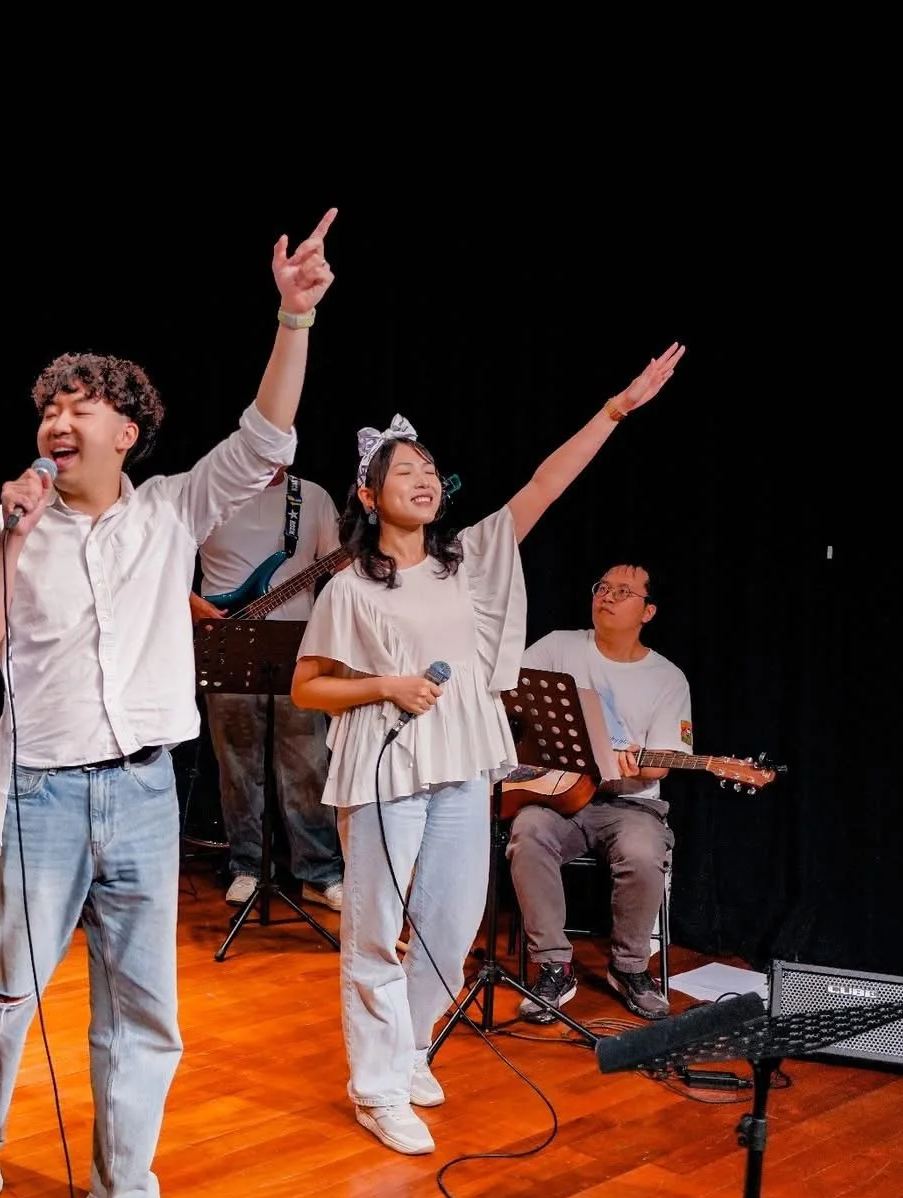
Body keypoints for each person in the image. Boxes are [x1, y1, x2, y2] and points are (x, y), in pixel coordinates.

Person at [0, 208, 340, 1198]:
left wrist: (291, 317)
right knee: (6, 984)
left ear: (125, 427)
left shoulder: (169, 511)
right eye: (46, 406)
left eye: (79, 403)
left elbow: (265, 438)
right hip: (43, 793)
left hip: (145, 790)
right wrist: (13, 541)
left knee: (143, 1007)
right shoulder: (2, 525)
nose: (56, 417)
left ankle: (125, 1186)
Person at [290, 342, 686, 1157]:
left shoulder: (467, 562)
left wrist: (614, 410)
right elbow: (308, 688)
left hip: (463, 762)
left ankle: (408, 1044)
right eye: (405, 470)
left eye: (431, 467)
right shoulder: (349, 588)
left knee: (451, 920)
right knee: (375, 927)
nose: (425, 478)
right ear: (370, 494)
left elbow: (544, 484)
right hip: (384, 760)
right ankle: (376, 1084)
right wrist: (385, 686)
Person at [508, 561, 691, 1023]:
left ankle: (629, 967)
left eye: (623, 591)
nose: (607, 596)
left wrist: (629, 767)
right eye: (602, 587)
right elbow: (509, 704)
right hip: (557, 796)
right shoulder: (557, 646)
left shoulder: (667, 679)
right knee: (528, 831)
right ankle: (554, 964)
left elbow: (662, 764)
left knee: (644, 849)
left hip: (629, 803)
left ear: (648, 612)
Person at [189, 467, 347, 911]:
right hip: (225, 645)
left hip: (299, 651)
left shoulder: (312, 496)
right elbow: (161, 563)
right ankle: (246, 866)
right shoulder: (210, 492)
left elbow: (340, 566)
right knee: (237, 766)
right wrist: (194, 605)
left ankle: (320, 872)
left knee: (308, 764)